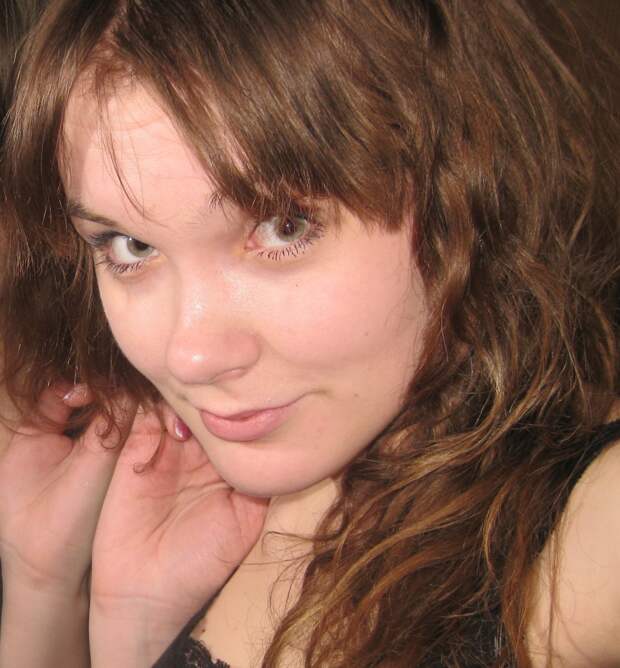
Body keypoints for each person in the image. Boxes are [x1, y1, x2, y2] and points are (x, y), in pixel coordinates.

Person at [0, 0, 619, 666]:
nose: (190, 354)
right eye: (130, 245)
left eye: (283, 228)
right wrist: (107, 613)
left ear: (470, 186)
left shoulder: (582, 533)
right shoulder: (218, 503)